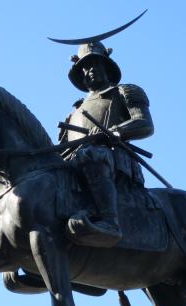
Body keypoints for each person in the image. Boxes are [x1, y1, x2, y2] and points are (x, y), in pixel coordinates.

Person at [59, 41, 154, 247]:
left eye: (96, 64)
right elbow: (64, 150)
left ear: (107, 67)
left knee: (92, 154)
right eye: (85, 67)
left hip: (112, 159)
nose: (90, 70)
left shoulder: (124, 91)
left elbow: (144, 123)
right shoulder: (74, 112)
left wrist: (112, 132)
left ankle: (109, 221)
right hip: (75, 162)